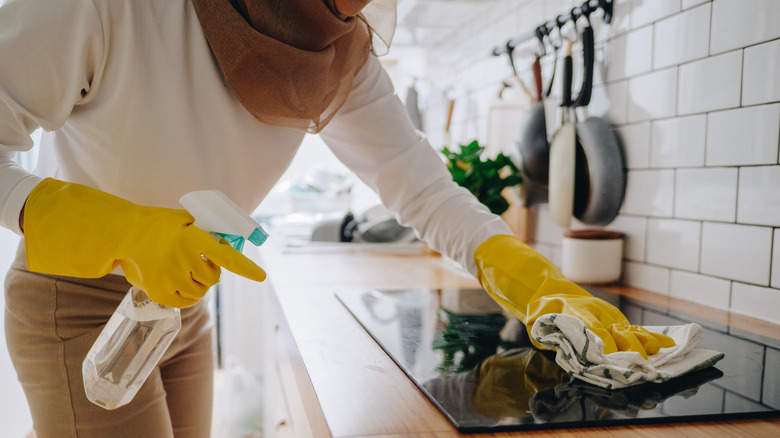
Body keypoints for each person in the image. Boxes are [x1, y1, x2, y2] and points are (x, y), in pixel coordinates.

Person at [0, 0, 674, 436]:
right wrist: (114, 228)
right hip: (77, 305)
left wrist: (537, 281)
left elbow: (425, 192)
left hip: (182, 305)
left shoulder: (338, 49)